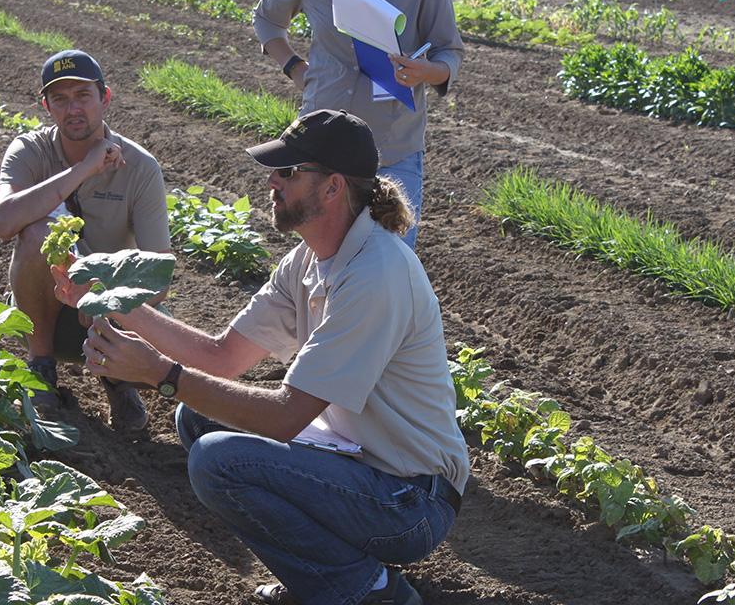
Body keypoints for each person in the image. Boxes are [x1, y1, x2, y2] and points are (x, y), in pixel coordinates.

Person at [63, 109, 469, 605]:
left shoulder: (375, 273)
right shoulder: (308, 259)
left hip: (409, 500)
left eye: (288, 172)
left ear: (333, 187)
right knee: (199, 419)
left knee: (219, 461)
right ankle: (323, 573)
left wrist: (160, 373)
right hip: (358, 461)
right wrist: (116, 298)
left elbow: (285, 417)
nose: (272, 182)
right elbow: (222, 356)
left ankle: (369, 590)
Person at [254, 0, 464, 250]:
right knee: (317, 268)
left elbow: (449, 51)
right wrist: (295, 68)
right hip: (318, 153)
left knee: (387, 265)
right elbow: (266, 20)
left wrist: (425, 72)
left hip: (392, 151)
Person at [0, 49, 169, 432]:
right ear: (46, 106)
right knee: (38, 232)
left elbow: (159, 273)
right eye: (61, 99)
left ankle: (119, 382)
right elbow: (3, 220)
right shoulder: (30, 151)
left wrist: (105, 297)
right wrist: (84, 168)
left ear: (104, 98)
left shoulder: (140, 168)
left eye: (83, 96)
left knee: (167, 346)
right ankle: (40, 368)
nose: (73, 109)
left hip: (104, 310)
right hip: (44, 311)